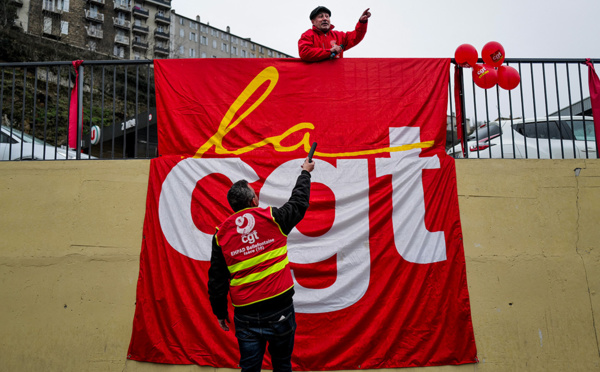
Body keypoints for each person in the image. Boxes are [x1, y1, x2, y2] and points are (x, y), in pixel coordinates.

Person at [208, 157, 315, 372]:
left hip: (245, 316)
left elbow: (217, 281)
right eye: (255, 194)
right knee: (282, 364)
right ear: (253, 201)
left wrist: (220, 313)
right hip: (280, 311)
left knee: (249, 368)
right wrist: (305, 172)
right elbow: (299, 202)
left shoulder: (221, 235)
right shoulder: (274, 218)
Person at [298, 6, 371, 62]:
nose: (325, 19)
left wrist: (362, 22)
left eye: (327, 16)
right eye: (321, 16)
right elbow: (305, 53)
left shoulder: (339, 36)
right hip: (317, 78)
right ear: (313, 21)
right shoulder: (307, 35)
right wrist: (329, 51)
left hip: (337, 78)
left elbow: (356, 37)